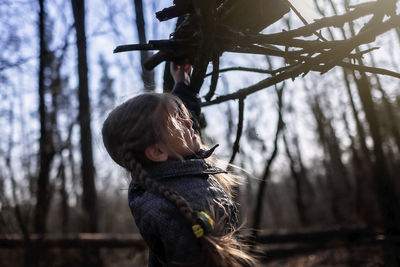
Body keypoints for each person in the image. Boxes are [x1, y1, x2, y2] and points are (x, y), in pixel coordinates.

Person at [102, 62, 255, 267]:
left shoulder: (153, 180)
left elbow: (179, 131)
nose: (189, 121)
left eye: (183, 115)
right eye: (177, 119)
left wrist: (181, 84)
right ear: (157, 151)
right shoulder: (192, 201)